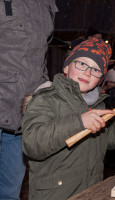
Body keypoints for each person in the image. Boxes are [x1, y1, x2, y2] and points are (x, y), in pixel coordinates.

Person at [21, 37, 115, 199]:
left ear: (100, 79)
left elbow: (107, 140)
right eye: (82, 64)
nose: (88, 72)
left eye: (96, 70)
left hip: (91, 190)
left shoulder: (98, 103)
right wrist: (79, 122)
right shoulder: (46, 99)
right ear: (66, 67)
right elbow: (32, 144)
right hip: (57, 194)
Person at [0, 1, 57, 199]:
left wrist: (44, 94)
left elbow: (39, 58)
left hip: (22, 116)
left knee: (10, 192)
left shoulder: (47, 5)